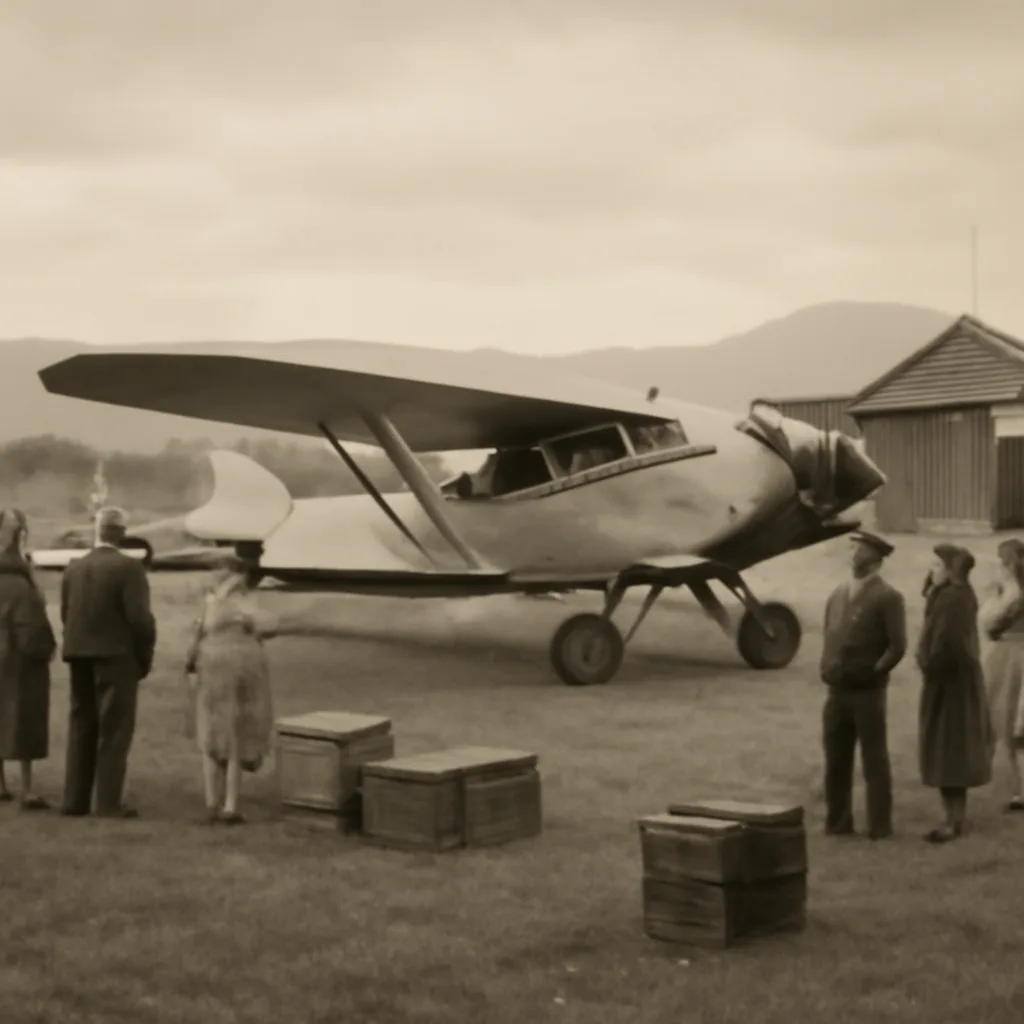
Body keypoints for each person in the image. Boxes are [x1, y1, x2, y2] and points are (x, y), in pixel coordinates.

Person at [60, 506, 157, 818]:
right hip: (116, 655)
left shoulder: (74, 568)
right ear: (122, 532)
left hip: (78, 652)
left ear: (98, 531)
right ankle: (107, 802)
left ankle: (74, 801)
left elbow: (66, 612)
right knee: (114, 729)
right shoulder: (129, 569)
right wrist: (143, 657)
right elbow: (140, 621)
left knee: (81, 724)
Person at [819, 530, 907, 839]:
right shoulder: (838, 593)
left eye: (859, 550)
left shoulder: (888, 597)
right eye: (852, 548)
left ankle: (879, 825)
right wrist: (827, 667)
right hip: (837, 691)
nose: (852, 554)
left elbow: (897, 646)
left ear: (875, 559)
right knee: (836, 758)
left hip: (868, 693)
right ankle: (838, 822)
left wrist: (875, 672)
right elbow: (829, 634)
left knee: (874, 759)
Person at [184, 553, 276, 824]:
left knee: (211, 733)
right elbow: (266, 627)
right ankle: (229, 805)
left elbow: (200, 632)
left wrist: (190, 662)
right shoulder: (245, 600)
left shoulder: (212, 600)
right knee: (236, 734)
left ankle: (213, 801)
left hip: (212, 666)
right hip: (242, 668)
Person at [917, 544, 994, 842]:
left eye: (937, 565)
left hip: (952, 685)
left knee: (950, 749)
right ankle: (952, 817)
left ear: (951, 570)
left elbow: (946, 646)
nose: (931, 570)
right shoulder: (951, 595)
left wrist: (927, 663)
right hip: (950, 683)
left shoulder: (954, 600)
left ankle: (953, 821)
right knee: (947, 748)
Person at [0, 508, 57, 809]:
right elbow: (31, 629)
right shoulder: (22, 587)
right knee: (25, 722)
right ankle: (27, 789)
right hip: (19, 663)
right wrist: (45, 649)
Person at [979, 537, 1024, 811]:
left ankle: (1017, 790)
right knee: (1016, 720)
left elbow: (988, 624)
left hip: (1009, 654)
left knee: (1006, 716)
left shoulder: (1011, 593)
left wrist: (993, 597)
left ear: (1007, 564)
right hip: (1014, 652)